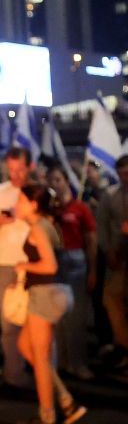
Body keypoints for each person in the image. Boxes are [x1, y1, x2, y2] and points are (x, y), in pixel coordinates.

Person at [15, 184, 87, 424]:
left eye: (21, 200)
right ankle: (66, 401)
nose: (17, 204)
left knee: (41, 358)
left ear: (33, 204)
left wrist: (23, 266)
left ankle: (48, 415)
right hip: (55, 293)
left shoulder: (37, 228)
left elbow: (50, 266)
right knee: (26, 346)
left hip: (46, 294)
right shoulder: (47, 224)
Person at [0, 147, 34, 389]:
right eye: (11, 170)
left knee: (36, 321)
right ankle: (13, 374)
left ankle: (42, 372)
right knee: (9, 322)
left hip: (35, 264)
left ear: (30, 167)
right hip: (4, 262)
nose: (15, 175)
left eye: (20, 170)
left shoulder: (38, 193)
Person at [96, 155, 128, 368]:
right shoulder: (110, 195)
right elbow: (103, 224)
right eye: (122, 173)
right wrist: (108, 251)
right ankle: (124, 345)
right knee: (111, 299)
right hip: (118, 257)